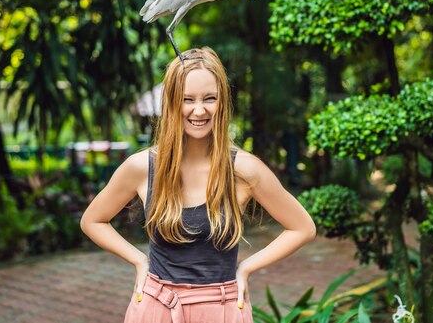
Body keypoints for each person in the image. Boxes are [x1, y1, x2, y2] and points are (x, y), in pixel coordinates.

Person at [80, 47, 316, 323]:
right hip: (156, 307)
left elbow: (303, 227)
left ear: (223, 102)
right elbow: (93, 220)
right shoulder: (141, 167)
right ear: (170, 103)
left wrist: (246, 268)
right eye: (187, 99)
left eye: (210, 98)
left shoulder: (244, 170)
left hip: (222, 309)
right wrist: (139, 260)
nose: (199, 110)